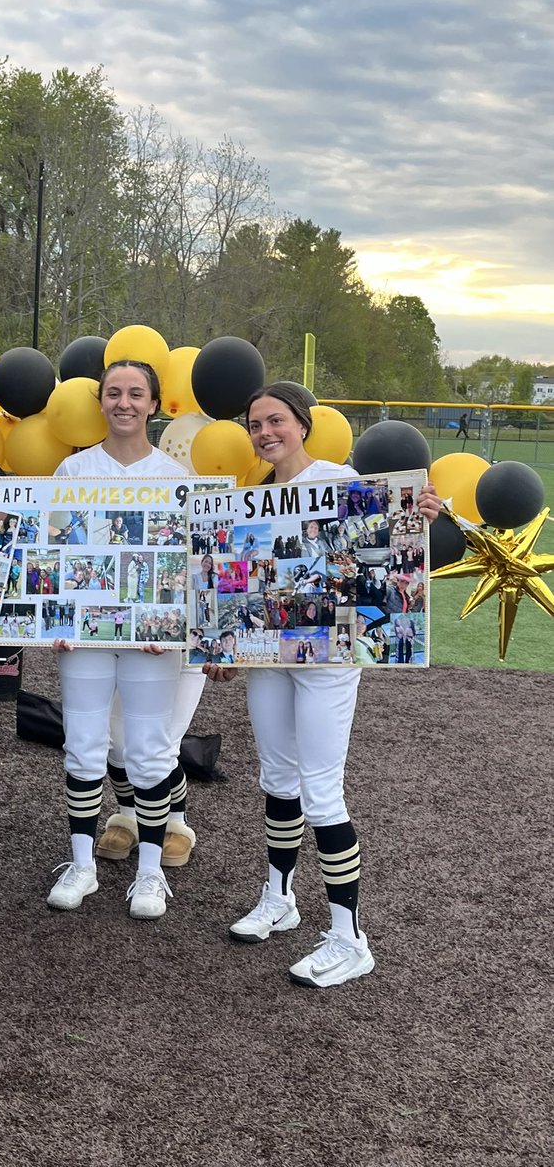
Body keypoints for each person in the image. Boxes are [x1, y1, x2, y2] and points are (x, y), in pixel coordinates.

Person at [206, 382, 441, 988]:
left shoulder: (339, 479)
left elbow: (386, 536)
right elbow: (240, 586)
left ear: (303, 424)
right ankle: (280, 897)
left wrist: (418, 511)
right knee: (277, 779)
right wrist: (224, 646)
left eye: (275, 420)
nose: (265, 432)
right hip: (272, 654)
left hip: (329, 655)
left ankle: (349, 938)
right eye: (255, 424)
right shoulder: (253, 498)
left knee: (321, 791)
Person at [47, 359, 206, 920]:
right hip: (85, 637)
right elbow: (54, 555)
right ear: (100, 402)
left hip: (151, 644)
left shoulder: (178, 477)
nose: (124, 403)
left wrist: (174, 624)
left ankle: (150, 873)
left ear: (154, 405)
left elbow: (191, 566)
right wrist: (51, 620)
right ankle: (82, 865)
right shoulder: (72, 470)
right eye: (113, 392)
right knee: (84, 745)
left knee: (148, 751)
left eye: (136, 394)